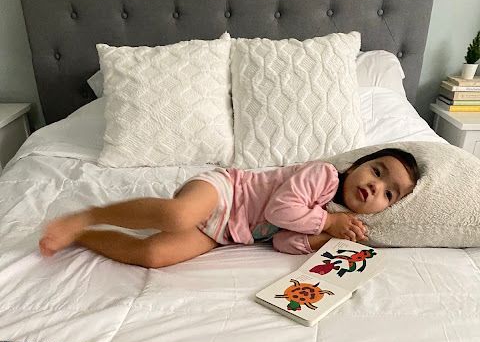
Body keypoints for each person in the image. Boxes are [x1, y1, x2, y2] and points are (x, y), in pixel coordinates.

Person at [39, 148, 420, 268]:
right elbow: (280, 211)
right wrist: (327, 221)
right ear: (354, 167)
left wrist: (322, 239)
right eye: (377, 171)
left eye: (389, 194)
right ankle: (88, 215)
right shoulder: (322, 175)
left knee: (154, 255)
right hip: (225, 192)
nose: (377, 186)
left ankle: (83, 235)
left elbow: (282, 240)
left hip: (227, 232)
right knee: (177, 215)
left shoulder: (336, 219)